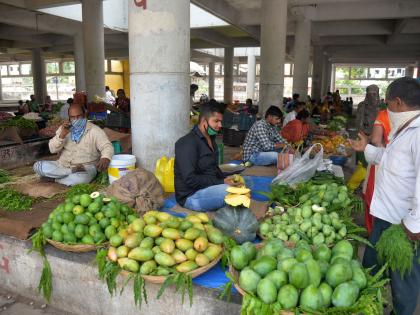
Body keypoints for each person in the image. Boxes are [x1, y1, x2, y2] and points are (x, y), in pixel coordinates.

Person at [350, 77, 420, 315]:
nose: (385, 109)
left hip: (404, 226)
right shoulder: (404, 130)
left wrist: (413, 227)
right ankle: (369, 307)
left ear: (398, 102)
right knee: (370, 269)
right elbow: (390, 161)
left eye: (387, 103)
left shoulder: (418, 135)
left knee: (403, 279)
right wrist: (366, 149)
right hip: (385, 217)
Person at [174, 103, 240, 212]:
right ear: (204, 121)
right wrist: (221, 182)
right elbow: (190, 179)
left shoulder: (211, 139)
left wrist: (226, 178)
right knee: (231, 191)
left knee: (245, 182)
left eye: (220, 121)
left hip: (209, 187)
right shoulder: (186, 143)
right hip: (191, 196)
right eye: (216, 121)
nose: (220, 125)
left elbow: (212, 169)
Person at [33, 104, 114, 186]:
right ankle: (68, 173)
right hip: (63, 165)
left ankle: (55, 178)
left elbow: (106, 146)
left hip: (85, 167)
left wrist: (105, 157)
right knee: (37, 166)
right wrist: (62, 135)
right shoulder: (64, 128)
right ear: (69, 118)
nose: (76, 119)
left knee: (80, 179)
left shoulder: (95, 130)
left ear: (84, 115)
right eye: (73, 117)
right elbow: (52, 149)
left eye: (79, 116)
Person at [362, 109, 391, 235]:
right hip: (406, 167)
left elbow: (375, 140)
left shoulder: (384, 114)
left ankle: (373, 233)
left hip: (383, 162)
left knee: (373, 197)